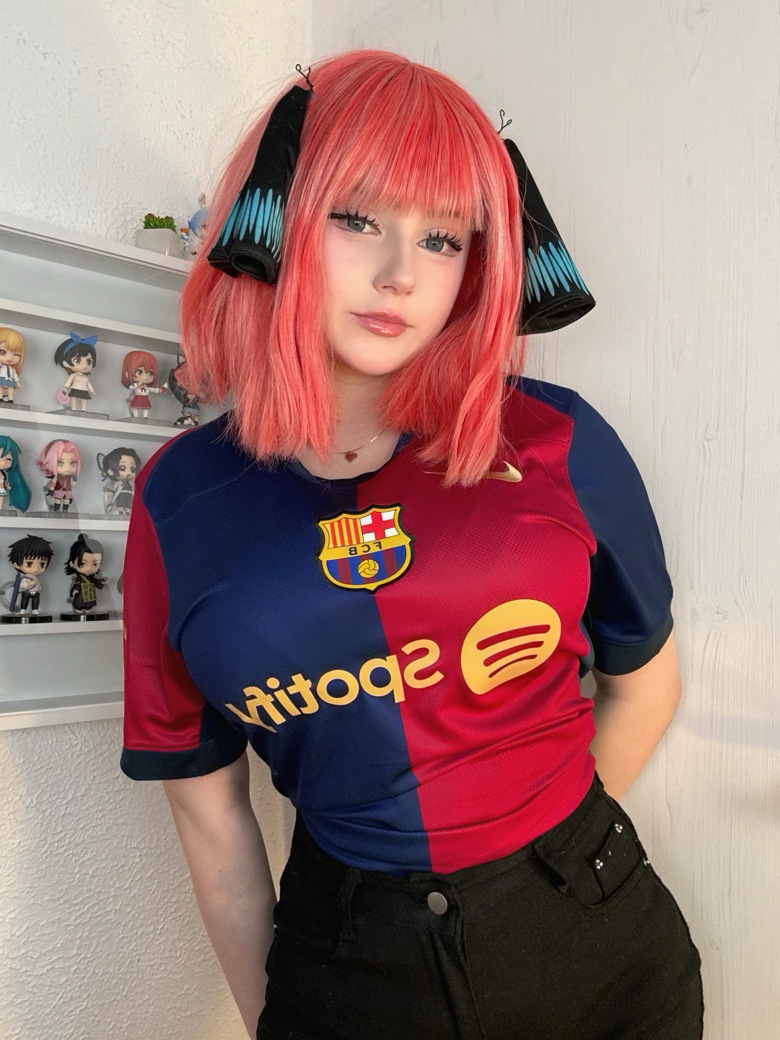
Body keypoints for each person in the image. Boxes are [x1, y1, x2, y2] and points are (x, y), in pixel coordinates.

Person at [121, 50, 703, 1040]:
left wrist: (543, 864)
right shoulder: (179, 501)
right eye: (357, 218)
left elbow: (645, 682)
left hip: (601, 950)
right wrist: (279, 1018)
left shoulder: (560, 441)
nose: (400, 274)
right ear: (280, 213)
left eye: (442, 237)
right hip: (346, 963)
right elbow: (207, 806)